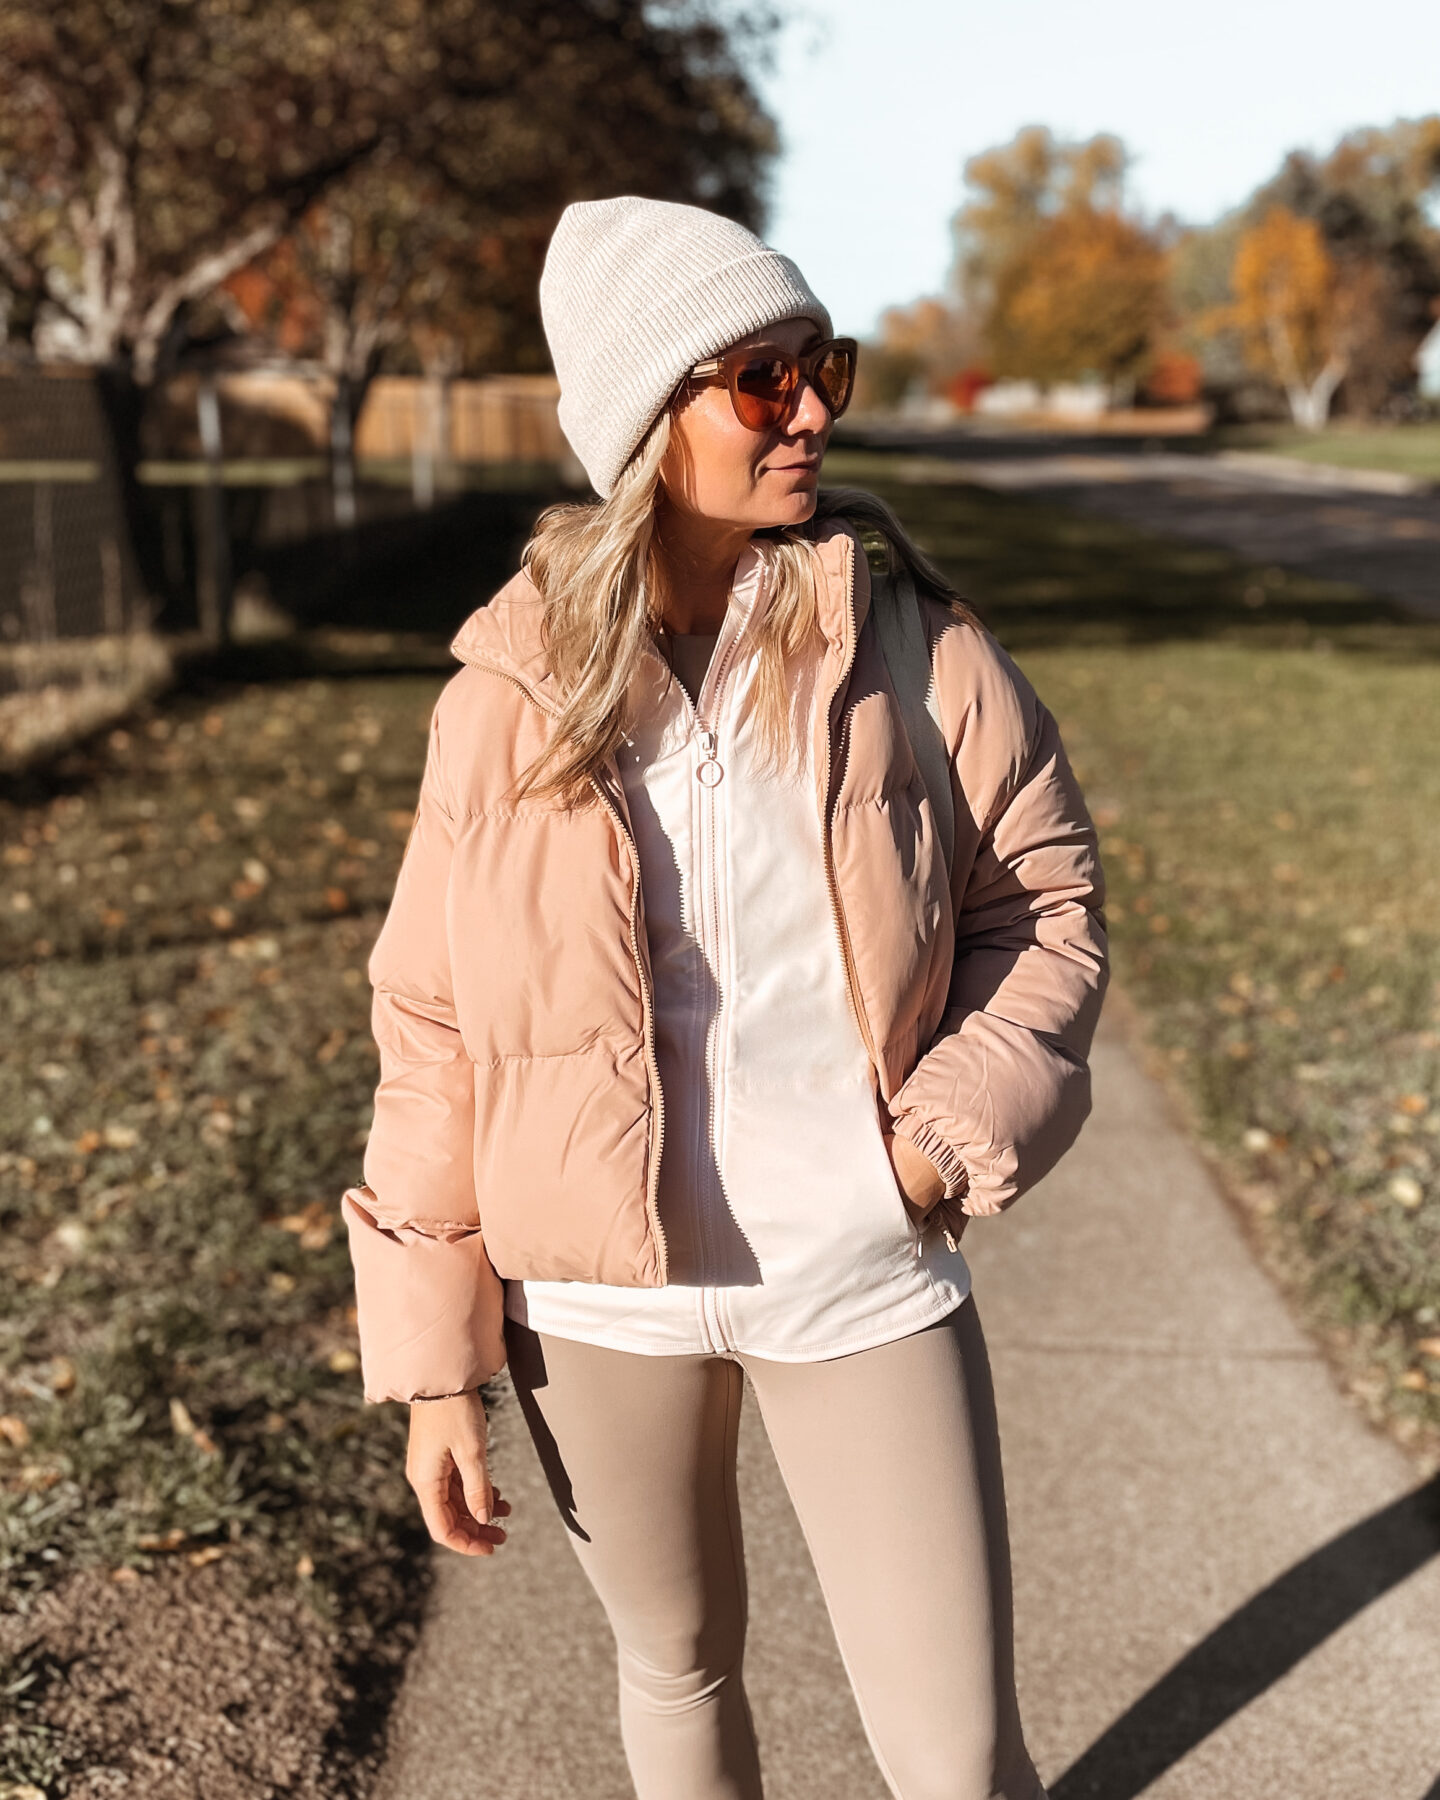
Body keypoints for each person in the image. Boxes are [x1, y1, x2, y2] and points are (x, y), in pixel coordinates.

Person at [341, 196, 1109, 1800]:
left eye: (818, 364)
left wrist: (933, 1140)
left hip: (854, 1269)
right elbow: (431, 1029)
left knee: (959, 1757)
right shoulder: (505, 699)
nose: (814, 408)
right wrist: (433, 1365)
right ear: (646, 414)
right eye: (760, 378)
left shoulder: (910, 644)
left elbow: (1045, 901)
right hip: (594, 1305)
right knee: (676, 1675)